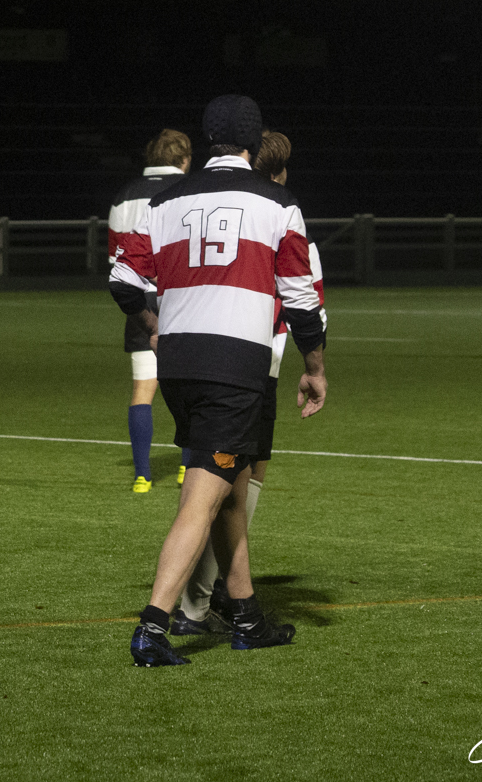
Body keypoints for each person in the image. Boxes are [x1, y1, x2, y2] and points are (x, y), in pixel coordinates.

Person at [109, 95, 327, 667]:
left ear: (209, 140)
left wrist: (155, 326)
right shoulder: (279, 203)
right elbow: (301, 297)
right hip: (234, 367)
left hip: (178, 364)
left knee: (229, 488)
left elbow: (123, 279)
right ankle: (154, 626)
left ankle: (248, 616)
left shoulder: (164, 200)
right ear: (253, 144)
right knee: (201, 500)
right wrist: (314, 366)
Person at [172, 130, 326, 635]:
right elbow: (308, 304)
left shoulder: (197, 211)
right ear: (277, 175)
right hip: (252, 367)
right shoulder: (280, 215)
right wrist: (315, 366)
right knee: (230, 487)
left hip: (192, 358)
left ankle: (216, 599)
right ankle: (195, 605)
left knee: (219, 482)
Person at [106, 129, 191, 493]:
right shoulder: (189, 189)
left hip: (139, 298)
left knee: (143, 388)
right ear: (184, 160)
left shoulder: (125, 195)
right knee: (189, 385)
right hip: (179, 298)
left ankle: (142, 475)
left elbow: (116, 261)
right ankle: (188, 467)